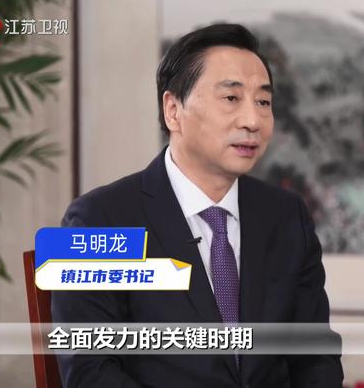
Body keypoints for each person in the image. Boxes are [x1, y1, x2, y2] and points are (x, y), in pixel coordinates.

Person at [51, 23, 343, 388]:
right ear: (173, 110)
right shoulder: (97, 220)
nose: (252, 121)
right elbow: (89, 372)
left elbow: (315, 356)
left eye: (263, 102)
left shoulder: (286, 216)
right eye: (231, 98)